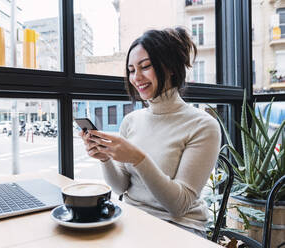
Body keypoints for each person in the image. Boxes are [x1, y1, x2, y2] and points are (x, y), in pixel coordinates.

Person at [80, 27, 221, 238]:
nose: (136, 78)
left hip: (179, 227)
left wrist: (138, 158)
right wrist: (105, 158)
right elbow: (121, 187)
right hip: (131, 218)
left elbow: (179, 206)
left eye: (145, 67)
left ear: (171, 68)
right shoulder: (131, 121)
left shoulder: (203, 125)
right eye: (131, 70)